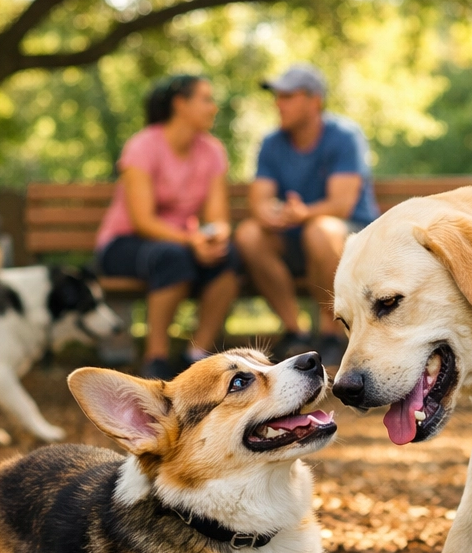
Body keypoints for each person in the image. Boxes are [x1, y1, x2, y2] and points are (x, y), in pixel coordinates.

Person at [95, 75, 240, 380]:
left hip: (182, 244)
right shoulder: (143, 146)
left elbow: (217, 218)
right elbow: (142, 220)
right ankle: (156, 357)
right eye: (205, 99)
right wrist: (191, 241)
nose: (213, 108)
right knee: (172, 257)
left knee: (231, 257)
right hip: (124, 244)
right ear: (180, 104)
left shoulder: (212, 151)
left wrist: (215, 237)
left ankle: (197, 356)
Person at [235, 64, 379, 367]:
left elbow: (340, 205)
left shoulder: (344, 136)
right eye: (277, 96)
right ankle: (295, 331)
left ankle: (331, 333)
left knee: (319, 229)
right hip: (295, 238)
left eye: (287, 95)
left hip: (349, 240)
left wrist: (303, 213)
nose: (278, 103)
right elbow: (259, 199)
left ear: (315, 101)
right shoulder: (272, 142)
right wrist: (269, 214)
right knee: (249, 234)